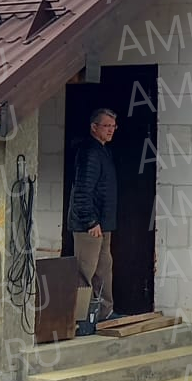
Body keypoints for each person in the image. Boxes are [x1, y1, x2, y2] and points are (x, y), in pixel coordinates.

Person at [69, 108, 120, 323]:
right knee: (85, 271)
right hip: (89, 225)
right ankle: (81, 319)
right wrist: (91, 220)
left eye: (113, 126)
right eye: (106, 126)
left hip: (103, 223)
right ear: (94, 127)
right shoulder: (89, 152)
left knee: (103, 269)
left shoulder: (102, 150)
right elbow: (82, 190)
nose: (111, 130)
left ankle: (103, 313)